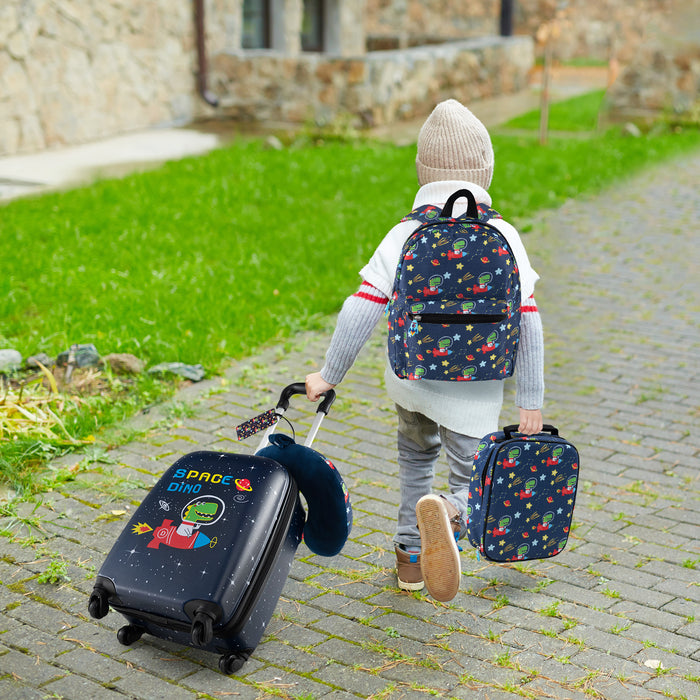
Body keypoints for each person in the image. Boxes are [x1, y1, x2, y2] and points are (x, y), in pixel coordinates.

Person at [306, 99, 545, 602]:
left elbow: (362, 307)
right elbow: (528, 319)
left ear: (421, 171)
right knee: (473, 476)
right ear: (487, 169)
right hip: (474, 395)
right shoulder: (503, 235)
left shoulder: (405, 233)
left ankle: (410, 561)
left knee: (415, 460)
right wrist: (531, 400)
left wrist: (329, 374)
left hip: (411, 381)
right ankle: (451, 511)